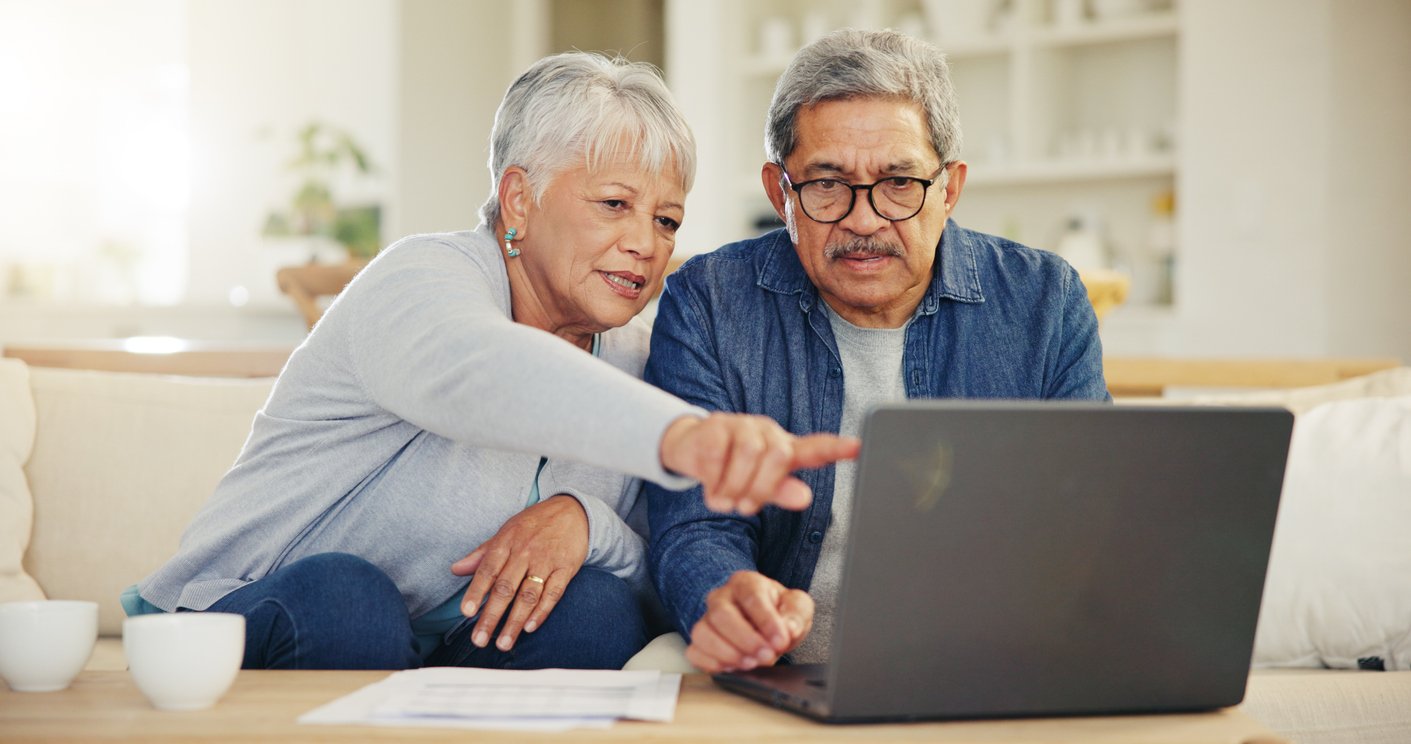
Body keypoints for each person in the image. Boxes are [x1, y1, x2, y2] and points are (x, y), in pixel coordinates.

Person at [122, 52, 857, 672]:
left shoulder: (636, 358)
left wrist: (583, 520)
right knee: (350, 598)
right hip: (240, 620)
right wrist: (684, 437)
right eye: (613, 204)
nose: (646, 241)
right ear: (518, 199)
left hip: (440, 649)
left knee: (599, 611)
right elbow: (481, 372)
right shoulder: (420, 281)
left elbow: (656, 560)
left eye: (665, 219)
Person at [645, 29, 1110, 674]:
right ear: (781, 195)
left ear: (949, 189)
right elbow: (693, 525)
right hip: (780, 672)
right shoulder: (708, 302)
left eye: (897, 182)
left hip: (989, 669)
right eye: (827, 185)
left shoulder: (1044, 301)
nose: (864, 220)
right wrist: (724, 596)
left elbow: (1086, 518)